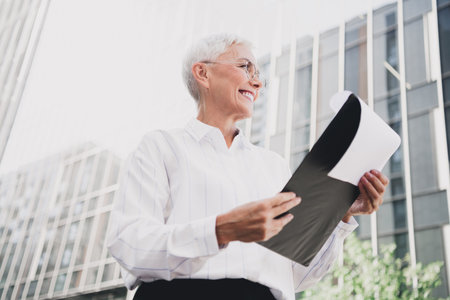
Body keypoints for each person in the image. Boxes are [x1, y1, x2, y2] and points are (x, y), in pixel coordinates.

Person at [107, 33, 389, 300]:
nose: (257, 83)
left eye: (258, 74)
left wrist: (339, 214)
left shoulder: (273, 165)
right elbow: (129, 244)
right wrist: (221, 229)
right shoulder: (160, 147)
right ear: (203, 73)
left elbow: (297, 276)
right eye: (245, 67)